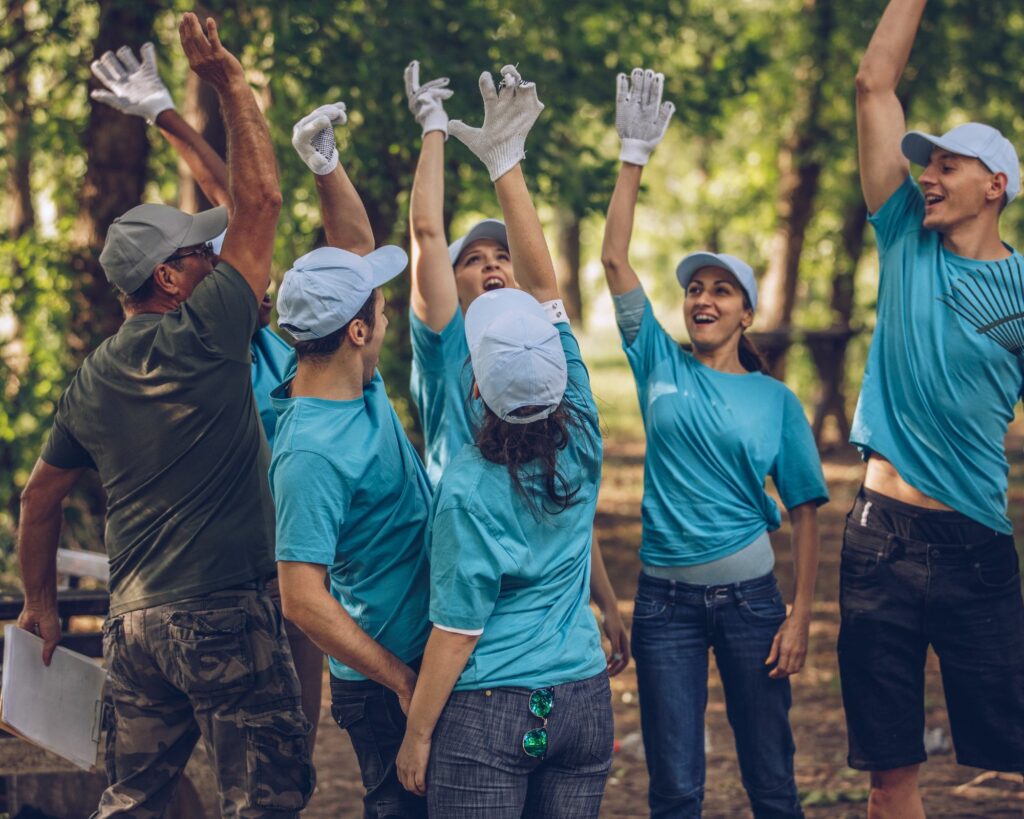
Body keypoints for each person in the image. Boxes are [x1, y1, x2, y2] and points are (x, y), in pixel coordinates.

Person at [17, 14, 314, 817]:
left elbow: (39, 498)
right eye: (197, 252)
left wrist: (38, 602)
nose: (216, 257)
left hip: (136, 625)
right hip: (225, 613)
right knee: (265, 799)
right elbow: (258, 197)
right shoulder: (209, 332)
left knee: (135, 801)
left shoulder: (94, 375)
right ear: (173, 280)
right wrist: (231, 87)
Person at [601, 68, 828, 818]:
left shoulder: (776, 401)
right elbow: (613, 261)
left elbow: (804, 511)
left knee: (771, 775)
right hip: (663, 604)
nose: (702, 298)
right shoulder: (656, 360)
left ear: (745, 315)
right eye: (695, 288)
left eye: (720, 290)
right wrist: (634, 155)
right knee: (675, 785)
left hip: (753, 604)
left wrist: (798, 614)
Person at [87, 40, 325, 746]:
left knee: (288, 753)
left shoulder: (273, 345)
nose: (232, 264)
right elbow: (247, 202)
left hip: (293, 562)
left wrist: (166, 113)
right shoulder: (201, 347)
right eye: (205, 261)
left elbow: (237, 202)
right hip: (223, 583)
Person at [395, 64, 614, 818]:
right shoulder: (578, 419)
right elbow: (431, 237)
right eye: (473, 260)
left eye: (501, 259)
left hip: (489, 689)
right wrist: (499, 162)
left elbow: (456, 631)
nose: (492, 265)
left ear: (483, 389)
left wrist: (418, 733)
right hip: (581, 687)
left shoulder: (469, 488)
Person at [845, 1, 1024, 815]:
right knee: (890, 772)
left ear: (996, 187)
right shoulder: (901, 235)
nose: (927, 175)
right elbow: (873, 83)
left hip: (976, 542)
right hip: (880, 535)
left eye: (947, 165)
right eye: (926, 163)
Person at [270, 103, 432, 818]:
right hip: (385, 679)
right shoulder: (308, 451)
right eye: (380, 310)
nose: (389, 315)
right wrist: (399, 677)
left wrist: (325, 165)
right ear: (359, 329)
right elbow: (301, 597)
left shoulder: (350, 375)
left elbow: (356, 248)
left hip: (428, 652)